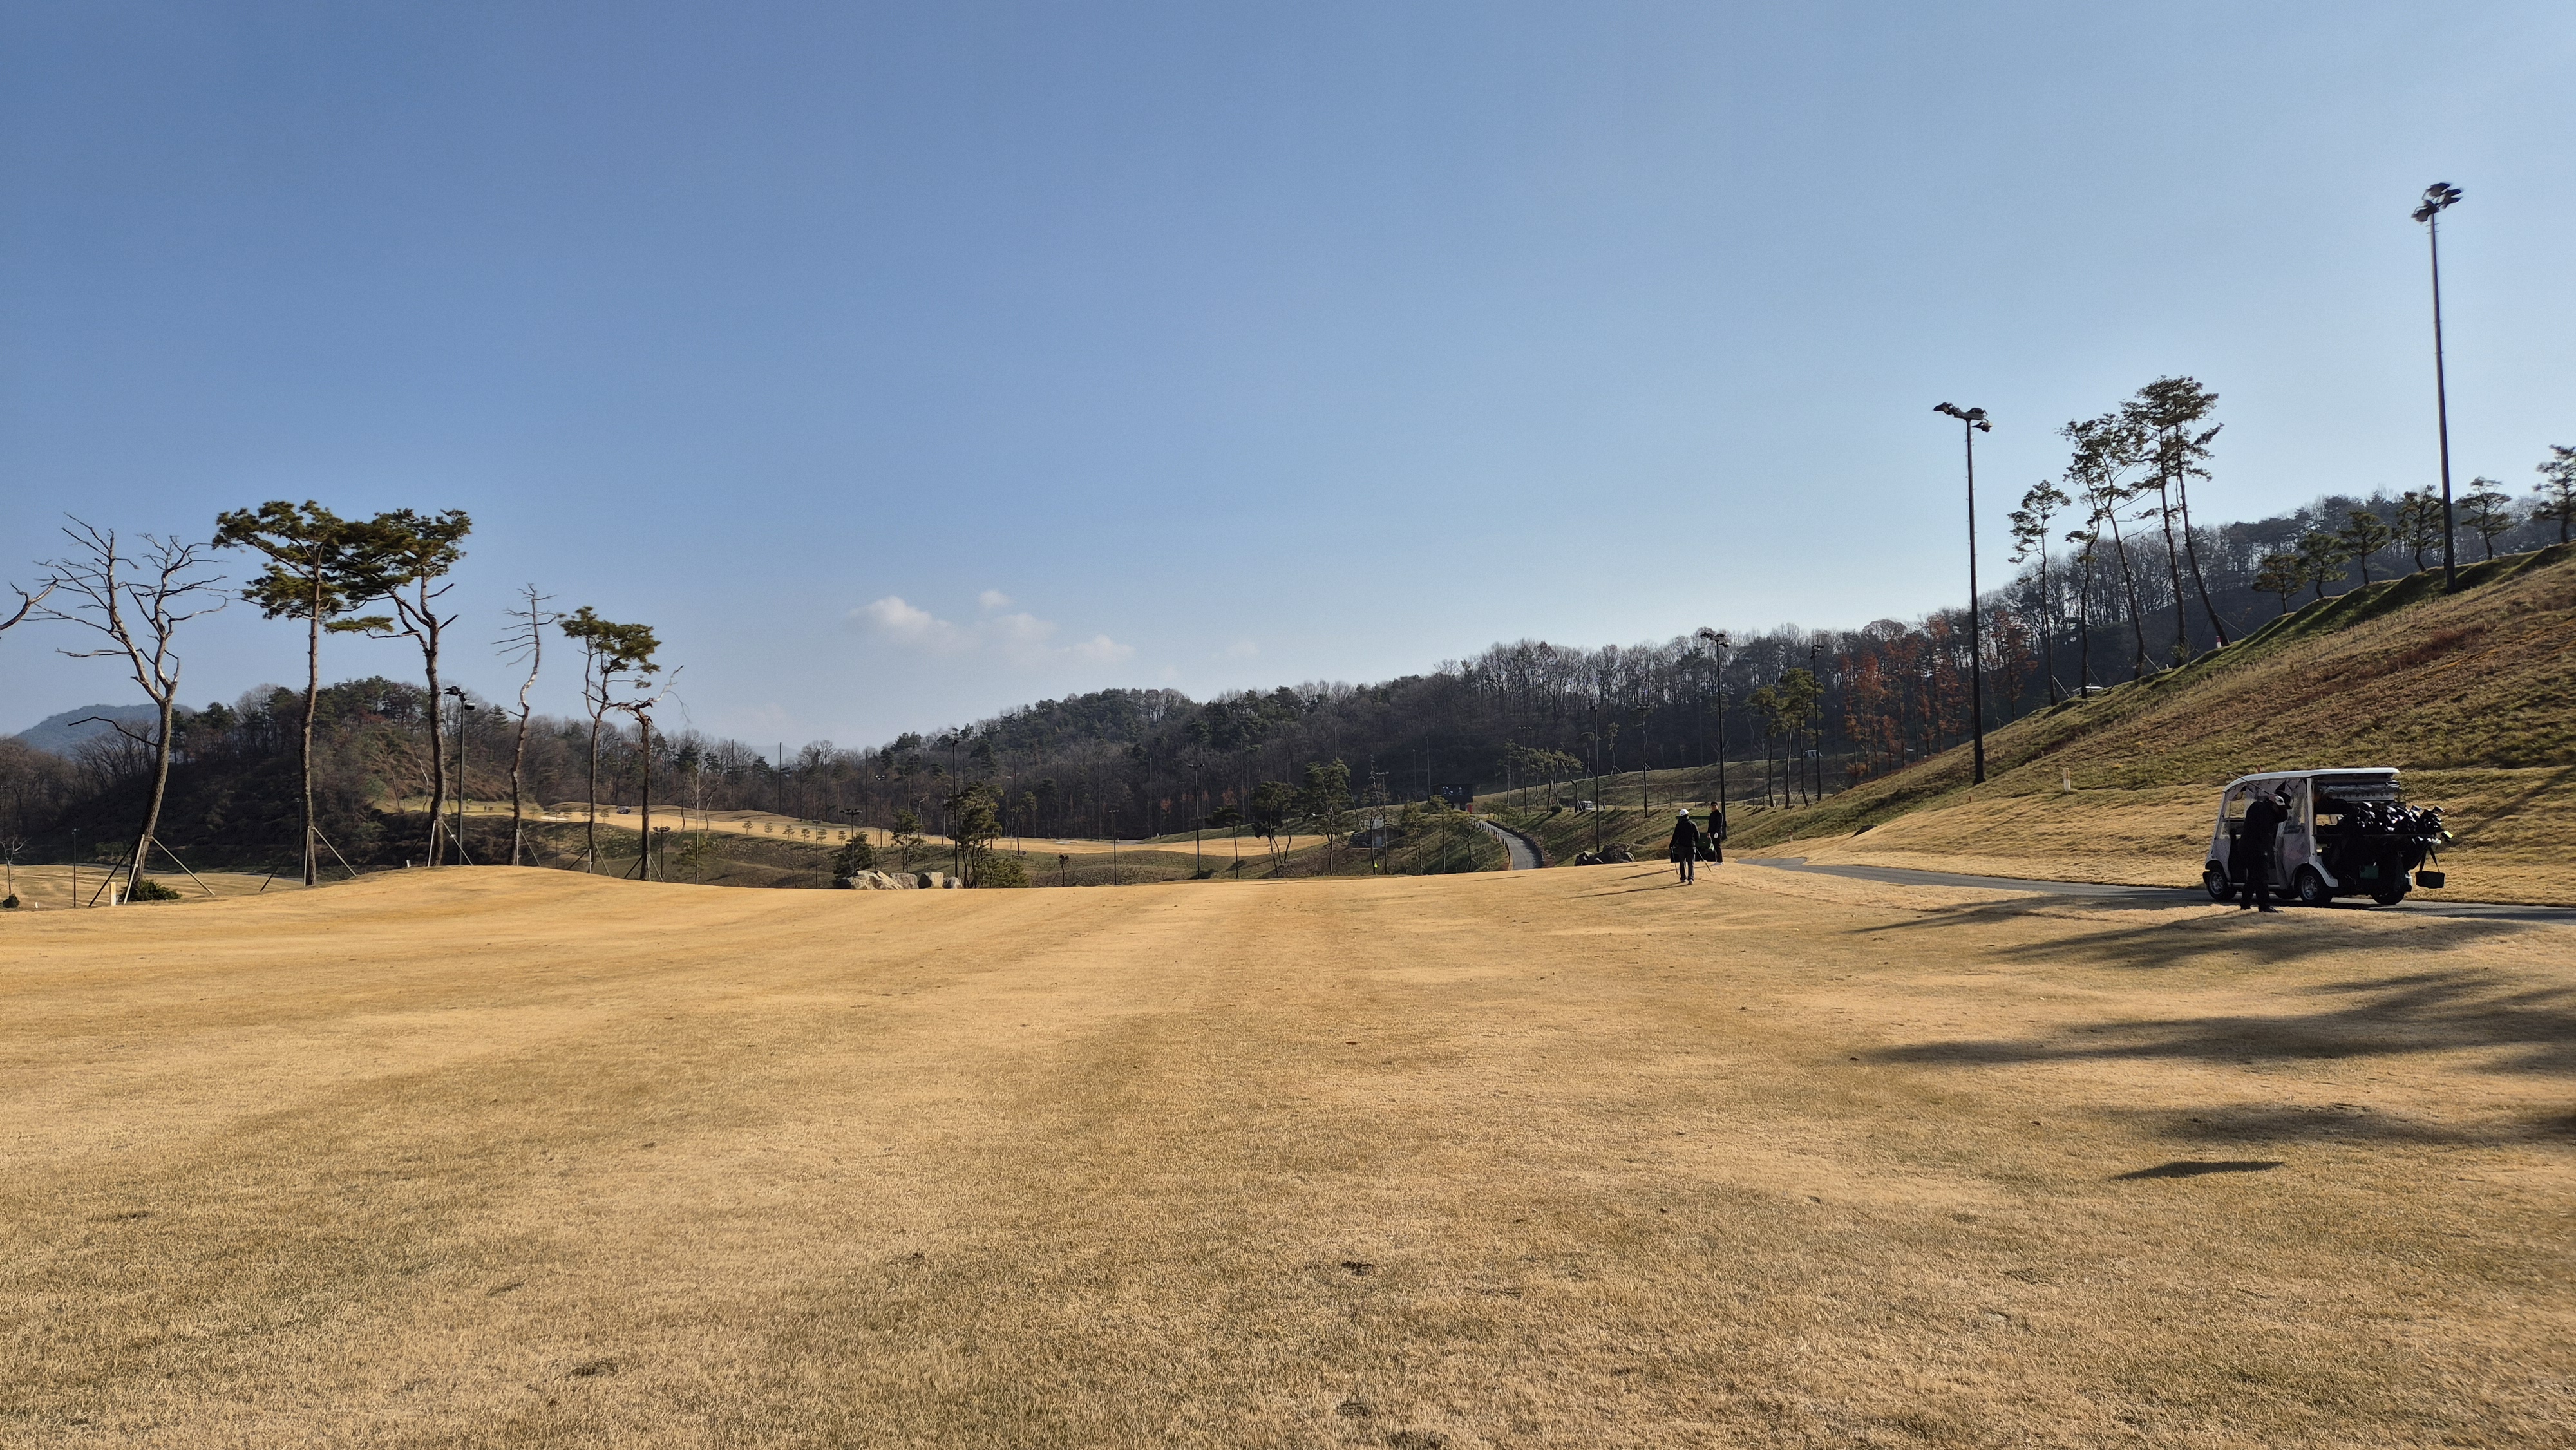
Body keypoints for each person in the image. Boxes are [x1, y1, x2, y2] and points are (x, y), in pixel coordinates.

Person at [2238, 787, 2286, 912]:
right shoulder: (2258, 807)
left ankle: (2245, 904)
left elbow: (2283, 817)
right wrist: (2271, 801)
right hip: (2251, 847)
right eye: (2278, 806)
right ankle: (2264, 906)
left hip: (2260, 847)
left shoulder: (2272, 813)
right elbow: (2262, 821)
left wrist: (2280, 804)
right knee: (2261, 877)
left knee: (2254, 877)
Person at [1667, 809, 1701, 884]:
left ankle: (1683, 878)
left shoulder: (1679, 825)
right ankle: (1691, 879)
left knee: (1682, 862)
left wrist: (1671, 845)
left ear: (1681, 817)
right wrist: (1695, 843)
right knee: (1691, 863)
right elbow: (1697, 836)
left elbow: (1675, 836)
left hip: (1682, 847)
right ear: (1688, 815)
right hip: (1691, 846)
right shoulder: (1693, 824)